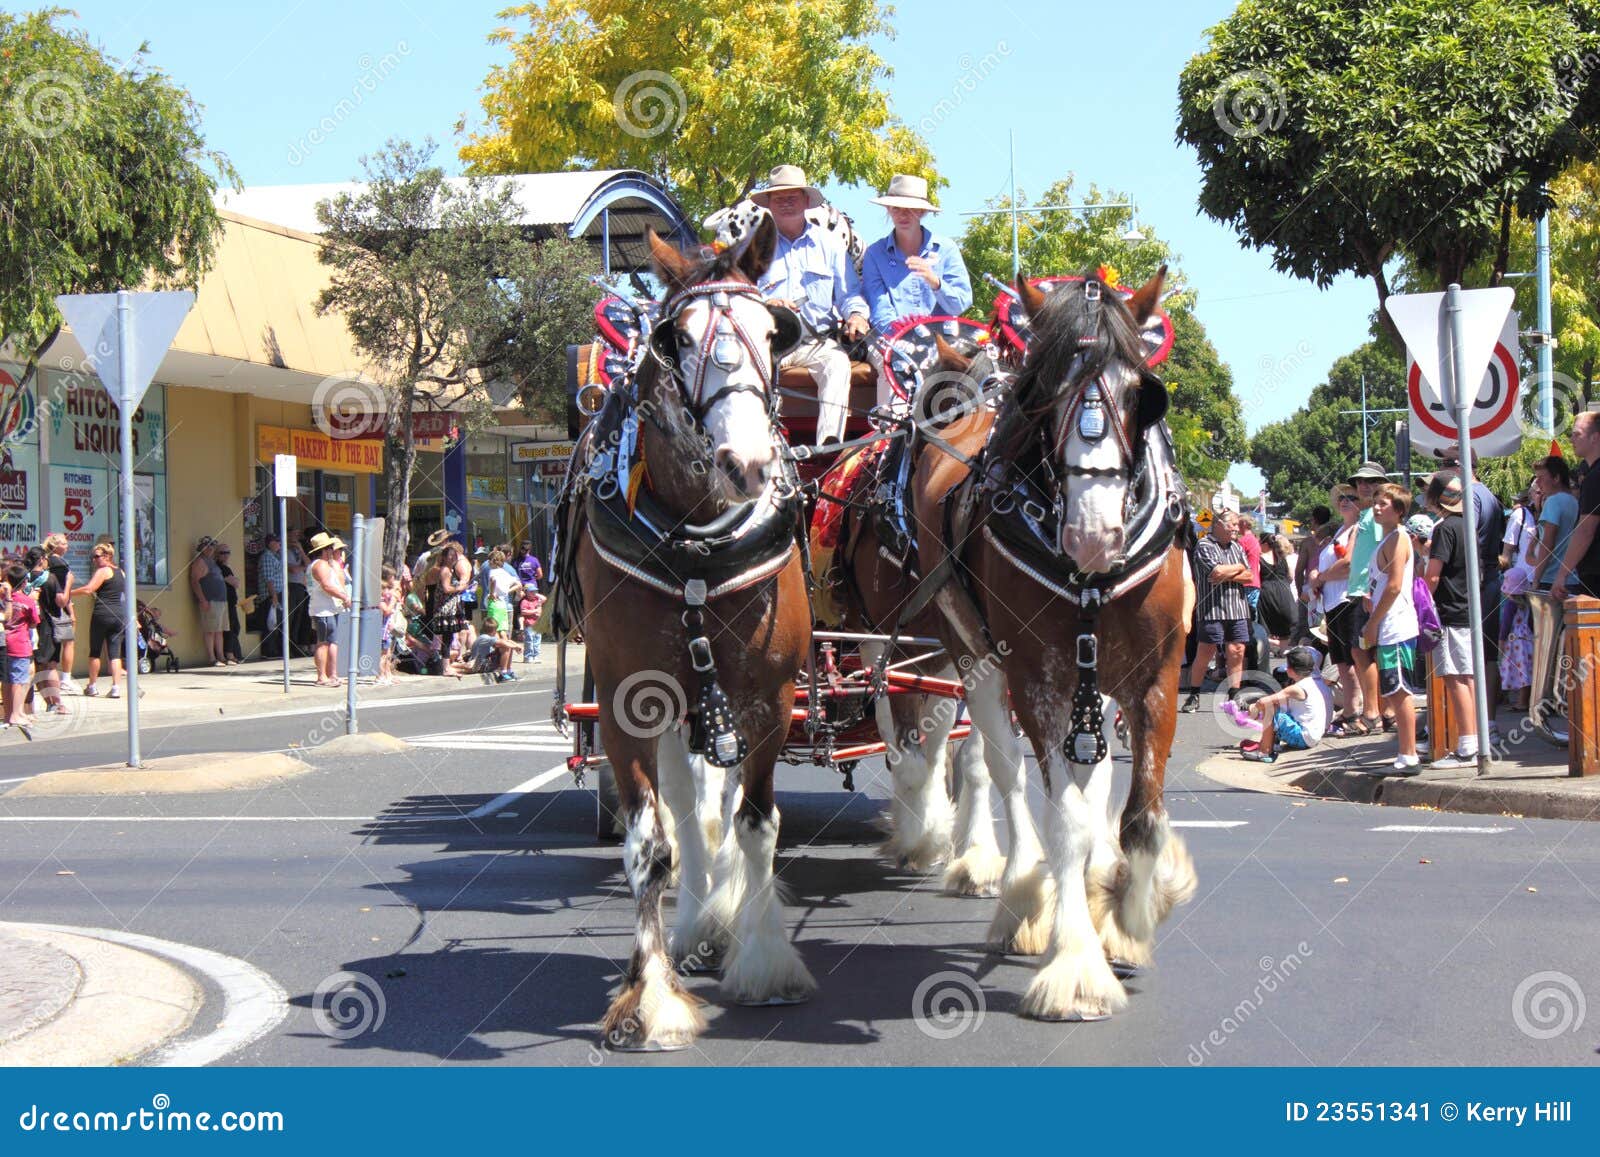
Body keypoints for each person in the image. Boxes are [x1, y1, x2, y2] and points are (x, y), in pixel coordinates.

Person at [751, 164, 870, 445]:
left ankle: (828, 444)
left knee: (837, 363)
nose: (787, 202)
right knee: (748, 367)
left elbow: (850, 293)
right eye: (779, 197)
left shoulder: (830, 245)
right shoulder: (753, 247)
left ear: (806, 201)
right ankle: (760, 442)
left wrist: (856, 315)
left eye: (793, 196)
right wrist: (766, 304)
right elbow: (739, 297)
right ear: (769, 204)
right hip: (768, 341)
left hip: (815, 342)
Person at [860, 174, 974, 407]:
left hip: (943, 339)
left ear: (922, 212)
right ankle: (890, 431)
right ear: (889, 210)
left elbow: (961, 303)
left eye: (910, 209)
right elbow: (880, 310)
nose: (903, 214)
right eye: (896, 208)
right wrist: (905, 339)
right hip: (892, 340)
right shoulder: (874, 254)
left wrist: (936, 283)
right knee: (892, 365)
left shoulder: (947, 249)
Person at [1358, 483, 1421, 773]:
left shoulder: (1399, 538)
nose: (1377, 507)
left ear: (1399, 510)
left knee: (1399, 691)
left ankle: (1409, 755)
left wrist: (1372, 624)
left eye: (1384, 503)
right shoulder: (1387, 539)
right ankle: (1405, 751)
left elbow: (1394, 585)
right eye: (1376, 502)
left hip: (1395, 625)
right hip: (1387, 624)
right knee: (1392, 690)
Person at [1422, 472, 1484, 769]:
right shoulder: (1466, 526)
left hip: (1449, 610)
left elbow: (1433, 575)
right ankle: (1473, 741)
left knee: (1455, 677)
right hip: (1467, 609)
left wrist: (1419, 602)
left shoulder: (1446, 528)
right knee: (1467, 677)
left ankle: (1468, 746)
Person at [1181, 511, 1252, 712]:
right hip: (1212, 609)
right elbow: (1215, 572)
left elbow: (1249, 576)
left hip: (1237, 608)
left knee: (1237, 651)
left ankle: (1234, 695)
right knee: (1206, 652)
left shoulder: (1237, 547)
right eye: (1233, 525)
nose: (1237, 529)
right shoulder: (1204, 545)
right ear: (1219, 524)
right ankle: (1194, 694)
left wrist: (1232, 571)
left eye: (1238, 525)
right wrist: (1235, 570)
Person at [1306, 486, 1363, 731]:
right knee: (1340, 660)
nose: (1345, 501)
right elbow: (1325, 565)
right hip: (1331, 601)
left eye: (1352, 498)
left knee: (1353, 659)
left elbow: (1347, 565)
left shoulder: (1358, 529)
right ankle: (1350, 709)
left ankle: (1358, 709)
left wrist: (1321, 578)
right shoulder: (1340, 530)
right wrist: (1315, 577)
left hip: (1348, 599)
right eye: (1342, 498)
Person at [1339, 461, 1388, 736]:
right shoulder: (1367, 514)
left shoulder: (1378, 515)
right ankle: (1381, 710)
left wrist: (1371, 587)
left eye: (1370, 482)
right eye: (1360, 482)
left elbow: (1386, 550)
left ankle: (1372, 712)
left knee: (1364, 652)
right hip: (1360, 591)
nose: (1364, 486)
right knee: (1362, 652)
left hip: (1368, 591)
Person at [1237, 647, 1331, 763]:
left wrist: (1254, 708)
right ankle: (1270, 743)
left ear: (1290, 670)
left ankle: (1265, 751)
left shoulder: (1296, 688)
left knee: (1269, 707)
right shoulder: (1316, 682)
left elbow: (1264, 702)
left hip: (1303, 738)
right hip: (1313, 736)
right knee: (1277, 706)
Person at [1554, 411, 1600, 597]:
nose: (1571, 439)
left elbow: (1585, 530)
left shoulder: (1595, 477)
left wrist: (1562, 574)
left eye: (1577, 434)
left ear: (1595, 438)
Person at [78, 542, 127, 698]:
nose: (94, 560)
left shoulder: (103, 571)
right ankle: (116, 687)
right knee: (115, 653)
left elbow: (88, 589)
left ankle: (92, 685)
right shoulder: (121, 572)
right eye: (93, 557)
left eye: (97, 556)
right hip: (119, 614)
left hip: (102, 614)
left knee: (95, 651)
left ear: (107, 556)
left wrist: (68, 593)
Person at [23, 547, 66, 720]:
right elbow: (61, 602)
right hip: (47, 626)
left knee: (37, 665)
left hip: (29, 626)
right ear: (41, 559)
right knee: (50, 665)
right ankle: (57, 702)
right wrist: (68, 584)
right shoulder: (50, 578)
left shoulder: (24, 579)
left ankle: (49, 702)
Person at [306, 531, 352, 687]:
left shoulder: (325, 565)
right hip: (322, 609)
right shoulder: (319, 565)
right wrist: (344, 597)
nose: (333, 550)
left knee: (331, 641)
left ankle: (332, 675)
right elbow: (327, 586)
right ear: (325, 549)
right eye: (331, 548)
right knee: (323, 642)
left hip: (328, 608)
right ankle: (322, 676)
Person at [0, 562, 39, 738]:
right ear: (24, 583)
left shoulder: (4, 599)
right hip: (20, 644)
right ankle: (16, 714)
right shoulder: (27, 601)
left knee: (8, 680)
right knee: (19, 680)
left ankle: (9, 714)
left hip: (4, 642)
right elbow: (33, 622)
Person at [1528, 456, 1577, 593]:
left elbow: (1548, 543)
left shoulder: (1553, 501)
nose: (1537, 482)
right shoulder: (1574, 501)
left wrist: (1536, 579)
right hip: (1571, 578)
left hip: (1550, 580)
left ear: (1556, 478)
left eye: (1541, 478)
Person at [42, 534, 77, 693]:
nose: (67, 545)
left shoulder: (46, 561)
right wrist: (71, 611)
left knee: (50, 646)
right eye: (64, 543)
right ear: (55, 546)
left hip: (46, 607)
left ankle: (48, 679)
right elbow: (63, 593)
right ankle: (65, 679)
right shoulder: (60, 565)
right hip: (58, 609)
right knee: (67, 642)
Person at [190, 537, 229, 665]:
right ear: (202, 547)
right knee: (210, 630)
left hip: (221, 601)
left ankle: (221, 657)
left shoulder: (212, 561)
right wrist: (203, 600)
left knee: (219, 631)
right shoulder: (200, 562)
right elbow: (195, 582)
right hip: (210, 601)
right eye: (208, 546)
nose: (210, 548)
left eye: (212, 546)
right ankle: (212, 658)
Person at [215, 542, 243, 664]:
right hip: (224, 602)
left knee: (234, 626)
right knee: (230, 627)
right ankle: (229, 654)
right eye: (222, 553)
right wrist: (235, 580)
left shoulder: (226, 567)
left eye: (227, 552)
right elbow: (235, 583)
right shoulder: (221, 568)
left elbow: (236, 582)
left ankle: (232, 653)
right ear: (217, 554)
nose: (225, 555)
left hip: (230, 601)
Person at [286, 530, 312, 655]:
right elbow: (293, 570)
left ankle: (294, 645)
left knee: (298, 618)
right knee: (290, 617)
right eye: (291, 537)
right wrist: (303, 567)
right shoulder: (285, 552)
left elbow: (309, 564)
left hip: (301, 586)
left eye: (296, 537)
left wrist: (301, 550)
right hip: (291, 586)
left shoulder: (297, 552)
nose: (294, 540)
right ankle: (287, 646)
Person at [258, 530, 285, 647]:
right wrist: (274, 596)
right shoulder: (267, 557)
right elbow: (269, 578)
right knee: (270, 623)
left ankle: (275, 649)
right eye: (277, 541)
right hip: (270, 595)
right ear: (269, 543)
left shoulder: (276, 556)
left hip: (279, 592)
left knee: (277, 622)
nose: (279, 543)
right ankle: (268, 650)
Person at [1234, 513, 1263, 620]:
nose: (1236, 527)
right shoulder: (1256, 540)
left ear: (1244, 524)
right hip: (1255, 582)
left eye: (1238, 523)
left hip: (1245, 582)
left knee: (1243, 617)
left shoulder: (1242, 541)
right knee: (1252, 615)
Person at [519, 582, 546, 664]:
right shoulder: (524, 601)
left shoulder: (537, 600)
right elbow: (523, 612)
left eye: (535, 591)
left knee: (537, 640)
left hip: (537, 624)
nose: (534, 593)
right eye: (531, 592)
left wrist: (536, 594)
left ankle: (536, 656)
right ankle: (528, 656)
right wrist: (534, 611)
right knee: (529, 640)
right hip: (529, 624)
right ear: (526, 592)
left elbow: (544, 598)